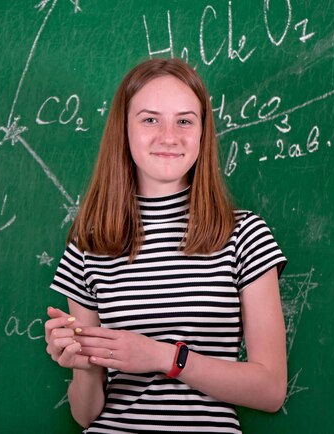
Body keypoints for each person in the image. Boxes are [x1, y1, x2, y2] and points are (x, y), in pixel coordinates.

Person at [44, 58, 288, 434]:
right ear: (124, 130)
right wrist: (83, 366)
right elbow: (86, 414)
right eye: (150, 119)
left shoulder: (244, 235)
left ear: (203, 132)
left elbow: (270, 390)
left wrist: (164, 356)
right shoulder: (90, 242)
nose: (169, 136)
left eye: (185, 121)